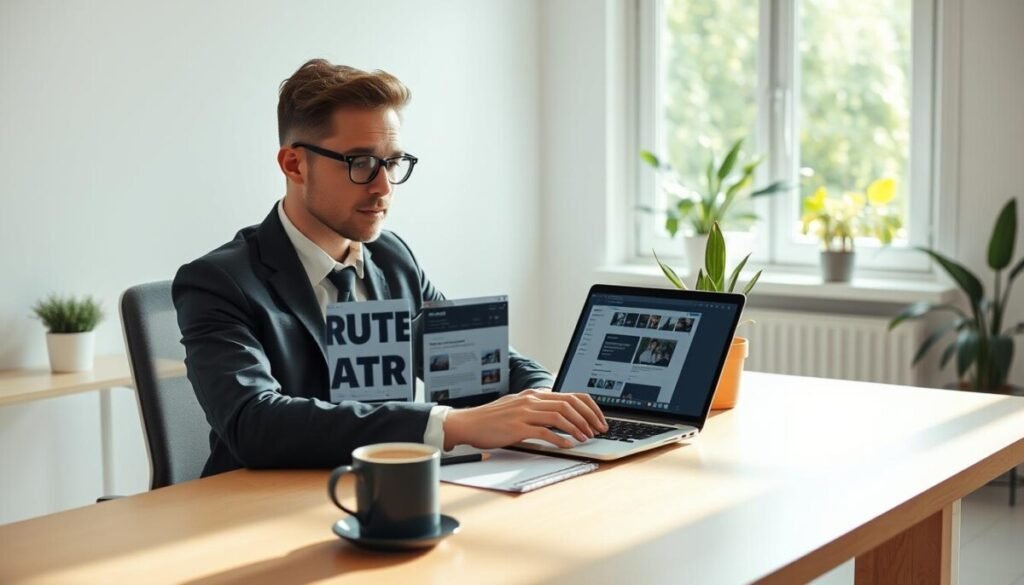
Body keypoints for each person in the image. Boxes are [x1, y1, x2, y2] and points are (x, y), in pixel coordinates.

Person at [173, 59, 606, 477]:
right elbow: (255, 423)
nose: (383, 187)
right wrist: (449, 425)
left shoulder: (392, 257)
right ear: (294, 164)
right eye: (360, 163)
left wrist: (545, 398)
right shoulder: (219, 282)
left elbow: (477, 364)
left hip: (396, 492)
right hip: (256, 511)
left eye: (393, 162)